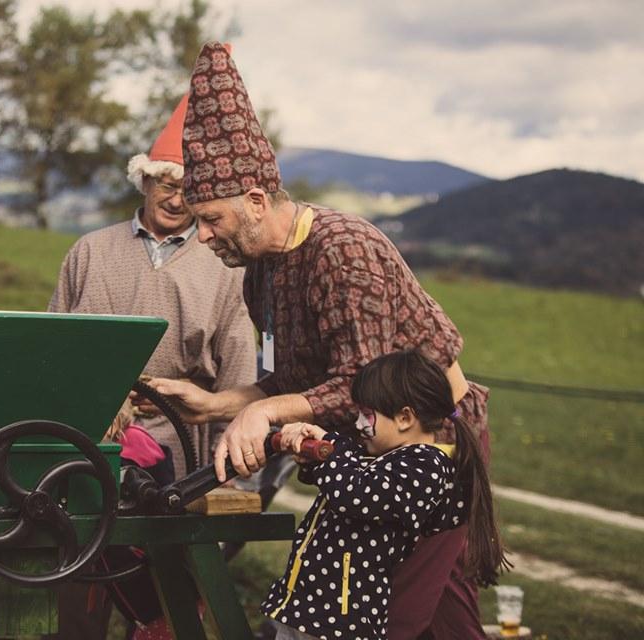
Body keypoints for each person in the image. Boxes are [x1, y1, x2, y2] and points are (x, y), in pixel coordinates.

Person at [144, 42, 493, 639]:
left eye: (212, 219)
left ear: (256, 202)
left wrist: (263, 413)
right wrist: (217, 404)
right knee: (437, 613)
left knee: (392, 614)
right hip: (372, 453)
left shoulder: (343, 250)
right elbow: (294, 380)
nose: (201, 236)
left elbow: (364, 385)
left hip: (427, 447)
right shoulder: (259, 270)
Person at [46, 88, 257, 640]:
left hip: (179, 453)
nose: (176, 199)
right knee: (79, 592)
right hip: (88, 448)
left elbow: (239, 371)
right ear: (144, 180)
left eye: (189, 190)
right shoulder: (90, 251)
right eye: (166, 184)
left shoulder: (224, 268)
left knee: (168, 600)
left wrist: (230, 471)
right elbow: (52, 348)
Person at [265, 350, 508, 640]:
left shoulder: (424, 468)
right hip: (306, 609)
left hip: (340, 623)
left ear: (405, 418)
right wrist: (315, 447)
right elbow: (343, 472)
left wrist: (331, 449)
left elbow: (354, 495)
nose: (358, 424)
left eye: (367, 415)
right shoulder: (382, 458)